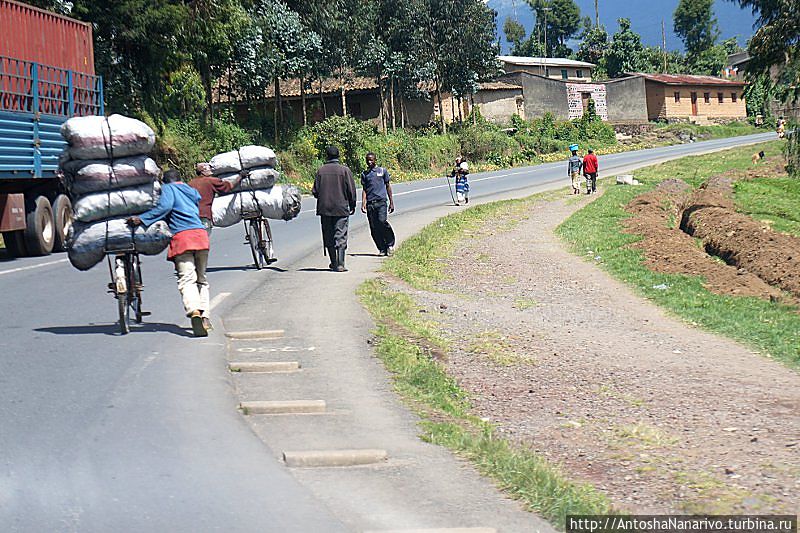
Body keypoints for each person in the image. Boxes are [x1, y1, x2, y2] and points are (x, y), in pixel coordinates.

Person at [127, 169, 211, 337]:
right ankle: (205, 317)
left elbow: (164, 207)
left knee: (187, 279)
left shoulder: (168, 189)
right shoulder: (191, 191)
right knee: (202, 279)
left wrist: (142, 219)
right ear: (180, 179)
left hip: (183, 238)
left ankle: (194, 310)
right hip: (201, 236)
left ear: (165, 182)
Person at [312, 146, 356, 272]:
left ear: (327, 156)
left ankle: (333, 262)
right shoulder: (345, 170)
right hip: (341, 208)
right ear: (338, 156)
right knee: (340, 234)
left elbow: (315, 191)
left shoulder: (321, 171)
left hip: (325, 209)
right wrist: (352, 205)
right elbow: (351, 191)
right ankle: (341, 264)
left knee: (329, 235)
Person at [189, 162, 244, 235]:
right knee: (203, 239)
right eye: (208, 168)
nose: (211, 170)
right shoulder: (211, 181)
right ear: (203, 171)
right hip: (203, 216)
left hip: (189, 216)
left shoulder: (190, 184)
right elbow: (228, 186)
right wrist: (240, 176)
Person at [360, 152, 396, 256]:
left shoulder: (382, 171)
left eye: (371, 160)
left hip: (381, 203)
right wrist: (363, 203)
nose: (369, 162)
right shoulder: (365, 174)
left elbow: (388, 186)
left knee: (382, 221)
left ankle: (390, 244)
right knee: (374, 227)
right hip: (370, 204)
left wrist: (391, 202)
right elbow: (365, 189)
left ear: (375, 160)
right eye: (367, 160)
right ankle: (381, 248)